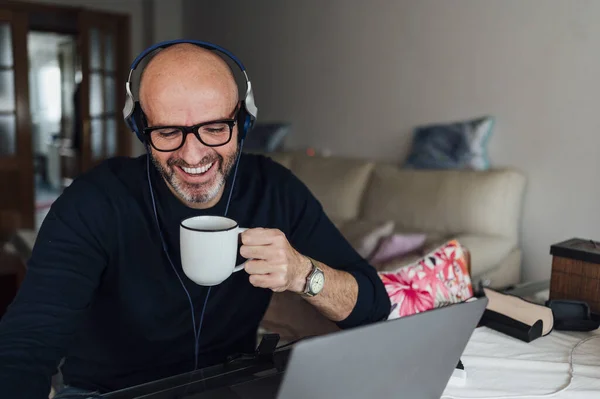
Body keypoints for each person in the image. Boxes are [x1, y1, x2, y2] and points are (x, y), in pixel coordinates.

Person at [0, 42, 391, 398]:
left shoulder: (274, 189)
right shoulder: (92, 201)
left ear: (243, 123)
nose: (192, 155)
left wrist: (303, 273)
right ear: (140, 127)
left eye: (215, 128)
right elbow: (26, 345)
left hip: (230, 387)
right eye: (168, 131)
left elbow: (373, 306)